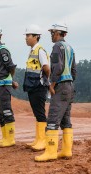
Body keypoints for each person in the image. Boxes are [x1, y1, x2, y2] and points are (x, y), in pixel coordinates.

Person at [35, 23, 76, 162]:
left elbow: (57, 67)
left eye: (52, 33)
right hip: (69, 86)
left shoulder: (57, 47)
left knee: (52, 118)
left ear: (59, 33)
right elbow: (74, 70)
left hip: (60, 86)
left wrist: (52, 84)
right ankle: (66, 151)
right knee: (65, 120)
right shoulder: (70, 48)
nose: (51, 35)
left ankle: (51, 152)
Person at [22, 24, 51, 151]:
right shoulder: (33, 50)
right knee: (36, 113)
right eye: (26, 36)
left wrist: (45, 80)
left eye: (28, 35)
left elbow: (46, 67)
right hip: (32, 86)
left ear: (36, 36)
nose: (26, 38)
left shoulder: (40, 51)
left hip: (39, 86)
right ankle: (38, 139)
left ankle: (43, 140)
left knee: (40, 113)